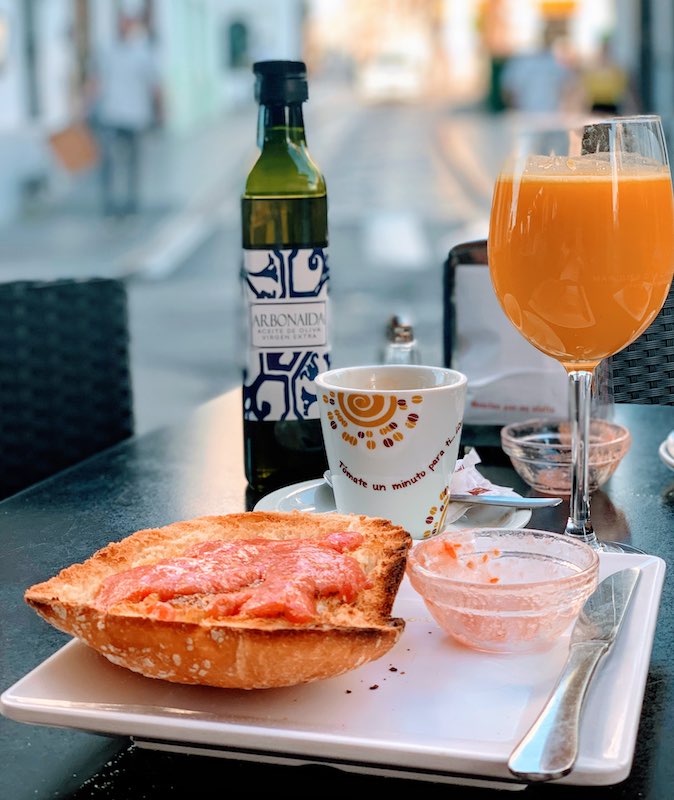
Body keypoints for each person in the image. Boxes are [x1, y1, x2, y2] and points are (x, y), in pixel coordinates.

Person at [90, 15, 161, 219]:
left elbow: (155, 85)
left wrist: (160, 110)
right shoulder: (106, 50)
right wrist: (85, 106)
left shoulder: (143, 52)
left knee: (133, 164)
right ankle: (110, 204)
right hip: (110, 115)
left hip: (135, 116)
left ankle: (131, 204)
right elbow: (97, 80)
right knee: (108, 163)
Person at [500, 25, 582, 114]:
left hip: (527, 117)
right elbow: (571, 91)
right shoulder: (556, 64)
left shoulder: (519, 60)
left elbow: (507, 92)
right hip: (547, 118)